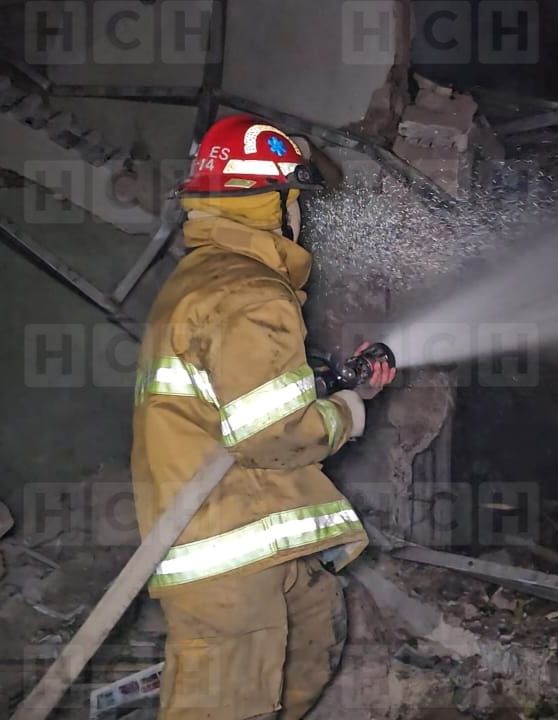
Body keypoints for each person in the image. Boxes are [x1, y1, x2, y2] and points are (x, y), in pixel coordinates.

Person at [130, 114, 394, 719]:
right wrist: (349, 413)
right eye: (297, 201)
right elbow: (275, 434)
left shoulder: (204, 279)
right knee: (229, 706)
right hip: (226, 545)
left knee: (314, 635)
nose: (302, 217)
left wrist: (328, 382)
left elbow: (241, 395)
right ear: (274, 204)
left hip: (254, 527)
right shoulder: (250, 292)